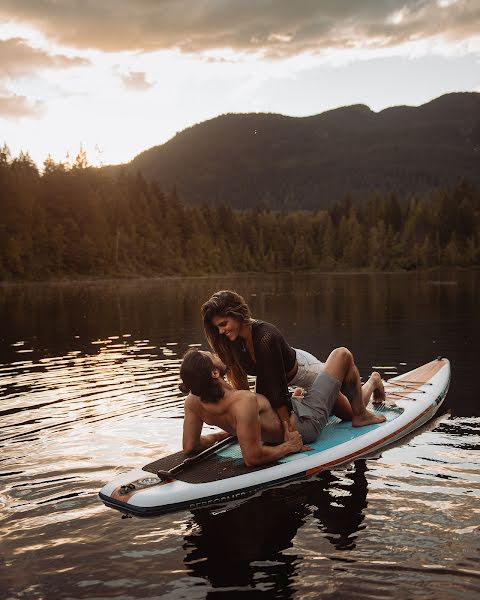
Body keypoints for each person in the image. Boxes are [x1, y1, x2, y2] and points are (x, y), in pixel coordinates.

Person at [201, 290, 385, 428]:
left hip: (306, 371)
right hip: (280, 374)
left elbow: (277, 388)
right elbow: (245, 384)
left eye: (223, 324)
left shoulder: (265, 337)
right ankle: (303, 397)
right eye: (217, 327)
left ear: (237, 314)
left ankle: (373, 382)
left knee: (348, 413)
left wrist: (288, 430)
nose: (221, 331)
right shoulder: (233, 339)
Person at [180, 347, 385, 467]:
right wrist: (288, 447)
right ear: (214, 374)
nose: (216, 354)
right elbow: (252, 457)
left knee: (345, 410)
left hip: (292, 410)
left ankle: (370, 386)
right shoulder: (243, 401)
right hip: (306, 424)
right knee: (341, 355)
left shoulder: (193, 401)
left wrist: (223, 435)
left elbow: (191, 446)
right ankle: (372, 386)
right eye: (211, 356)